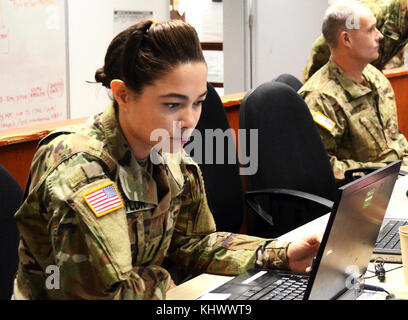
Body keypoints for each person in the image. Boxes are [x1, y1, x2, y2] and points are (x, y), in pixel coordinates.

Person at [12, 19, 321, 300]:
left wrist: (281, 253)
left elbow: (193, 243)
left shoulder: (168, 153)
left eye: (198, 103)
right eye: (173, 104)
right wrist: (161, 280)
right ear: (123, 95)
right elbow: (104, 294)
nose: (190, 120)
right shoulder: (80, 168)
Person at [299, 0, 408, 183]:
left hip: (396, 181)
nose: (380, 36)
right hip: (363, 194)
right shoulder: (321, 99)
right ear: (346, 39)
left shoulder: (376, 78)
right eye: (371, 30)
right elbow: (322, 166)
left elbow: (395, 139)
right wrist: (380, 173)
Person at [302, 0, 408, 83]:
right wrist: (311, 84)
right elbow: (322, 45)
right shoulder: (376, 11)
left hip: (364, 81)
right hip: (331, 83)